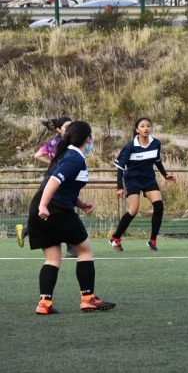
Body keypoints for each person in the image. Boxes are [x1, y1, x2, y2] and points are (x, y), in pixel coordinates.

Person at [26, 121, 115, 314]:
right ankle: (88, 299)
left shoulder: (66, 154)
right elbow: (54, 181)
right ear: (88, 138)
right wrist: (44, 205)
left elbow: (65, 186)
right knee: (84, 251)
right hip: (54, 209)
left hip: (40, 209)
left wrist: (81, 204)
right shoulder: (74, 158)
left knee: (52, 258)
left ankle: (45, 304)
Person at [109, 117, 176, 252]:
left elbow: (157, 160)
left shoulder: (156, 143)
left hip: (148, 178)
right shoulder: (130, 147)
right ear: (137, 130)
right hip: (132, 179)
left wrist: (165, 174)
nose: (146, 128)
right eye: (142, 126)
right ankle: (115, 238)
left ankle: (152, 240)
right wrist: (120, 187)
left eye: (148, 126)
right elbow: (120, 167)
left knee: (159, 206)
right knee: (133, 210)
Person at [18, 116, 78, 259]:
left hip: (54, 178)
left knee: (57, 210)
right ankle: (71, 248)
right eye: (66, 126)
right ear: (58, 129)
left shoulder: (54, 142)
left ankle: (25, 230)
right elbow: (38, 155)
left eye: (71, 126)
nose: (70, 129)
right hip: (57, 180)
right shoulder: (64, 143)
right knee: (65, 209)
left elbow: (38, 155)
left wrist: (52, 162)